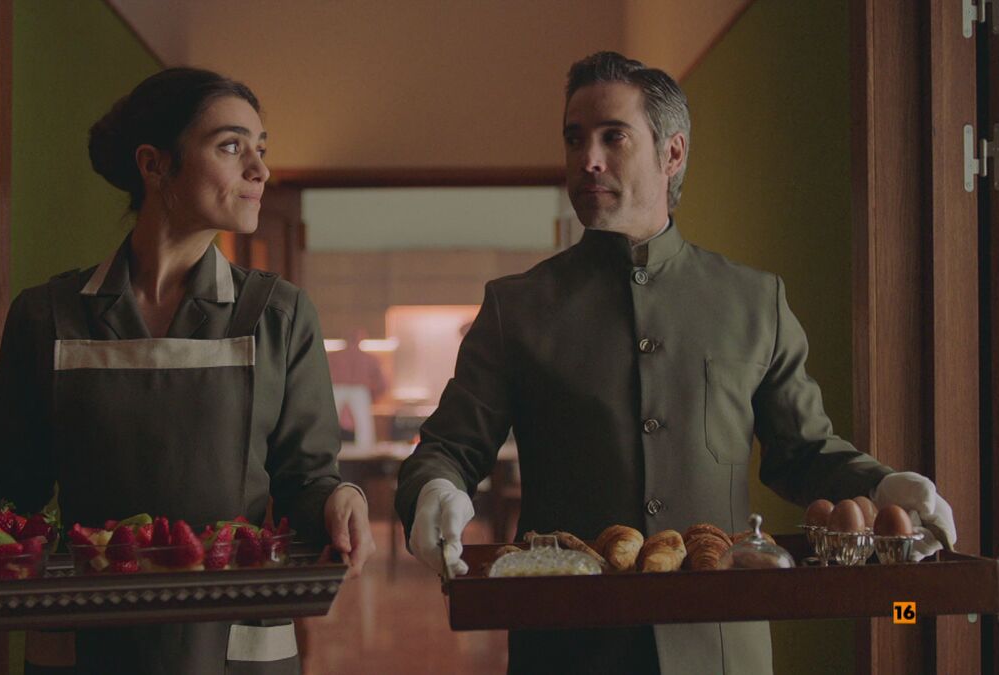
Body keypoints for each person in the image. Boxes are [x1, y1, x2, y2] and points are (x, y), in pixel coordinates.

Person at [394, 51, 957, 674]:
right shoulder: (517, 307)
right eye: (575, 138)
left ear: (673, 153)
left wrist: (879, 486)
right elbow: (448, 448)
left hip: (721, 648)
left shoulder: (754, 302)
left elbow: (803, 452)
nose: (588, 159)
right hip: (567, 648)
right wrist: (434, 489)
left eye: (613, 136)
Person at [0, 67, 375, 674]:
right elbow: (10, 487)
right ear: (155, 164)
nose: (260, 170)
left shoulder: (280, 314)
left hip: (235, 648)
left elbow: (307, 484)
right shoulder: (48, 315)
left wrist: (341, 499)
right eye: (231, 146)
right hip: (84, 642)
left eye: (261, 148)